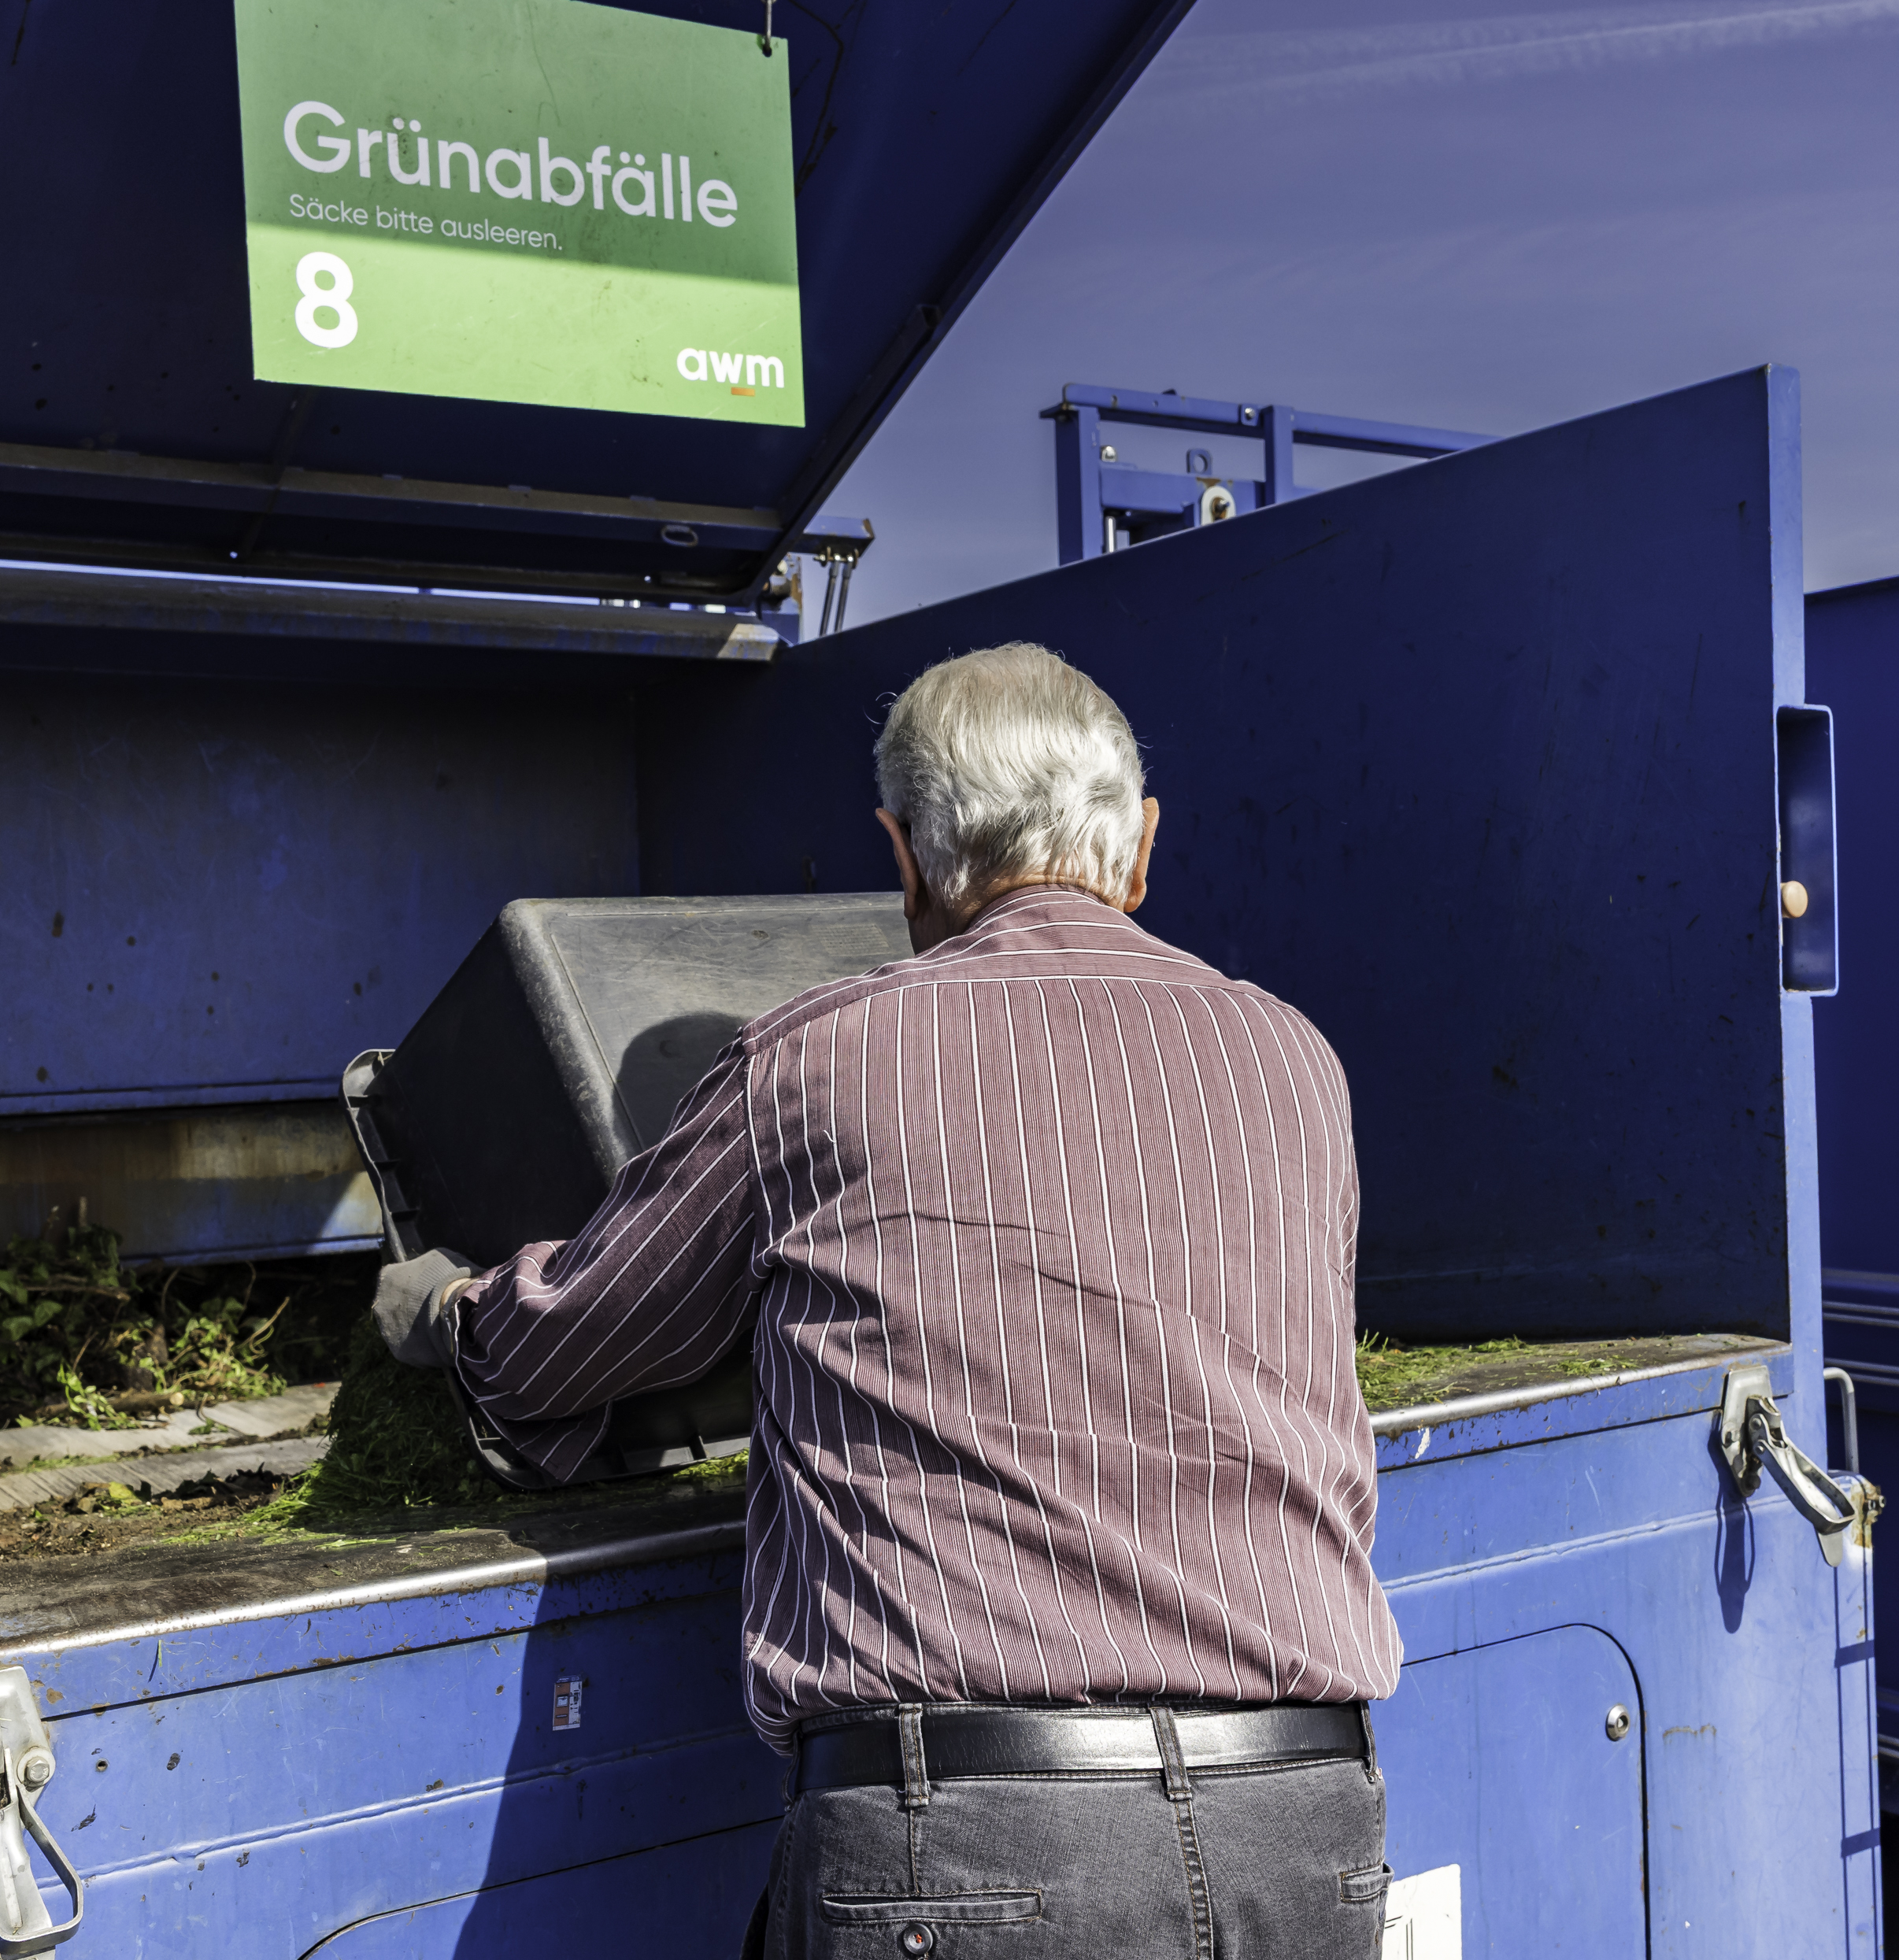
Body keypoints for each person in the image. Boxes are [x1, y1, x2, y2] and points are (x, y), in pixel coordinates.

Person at [374, 642, 1400, 1955]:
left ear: (904, 856)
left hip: (976, 1847)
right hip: (1307, 1830)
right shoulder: (1293, 1059)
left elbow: (564, 1346)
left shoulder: (817, 1060)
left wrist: (444, 1312)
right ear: (1142, 845)